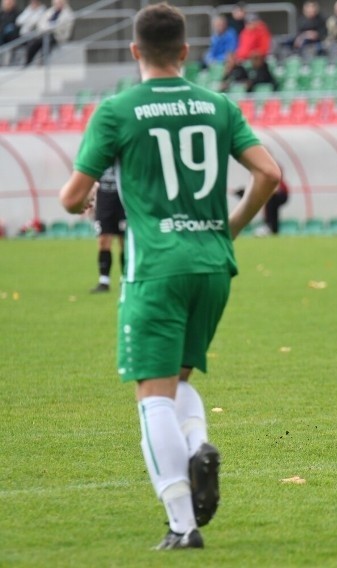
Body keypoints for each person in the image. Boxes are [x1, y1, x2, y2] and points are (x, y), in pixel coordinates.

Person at [58, 2, 280, 549]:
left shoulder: (117, 110)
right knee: (179, 381)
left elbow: (71, 198)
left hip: (156, 266)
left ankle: (182, 526)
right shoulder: (218, 104)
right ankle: (199, 443)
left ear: (136, 51)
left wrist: (87, 202)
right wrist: (228, 229)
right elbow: (269, 173)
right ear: (185, 51)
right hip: (212, 262)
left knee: (151, 394)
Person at [89, 166, 125, 293]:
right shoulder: (100, 155)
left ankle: (125, 279)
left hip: (123, 202)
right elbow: (89, 178)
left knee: (124, 242)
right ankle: (104, 281)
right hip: (104, 203)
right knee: (103, 240)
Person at [23, 0, 73, 66]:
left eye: (60, 3)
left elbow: (58, 27)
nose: (58, 5)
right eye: (56, 3)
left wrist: (48, 27)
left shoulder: (68, 14)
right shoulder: (50, 12)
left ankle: (43, 61)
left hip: (57, 36)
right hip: (45, 34)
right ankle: (27, 62)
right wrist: (48, 27)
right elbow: (41, 23)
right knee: (34, 42)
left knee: (48, 40)